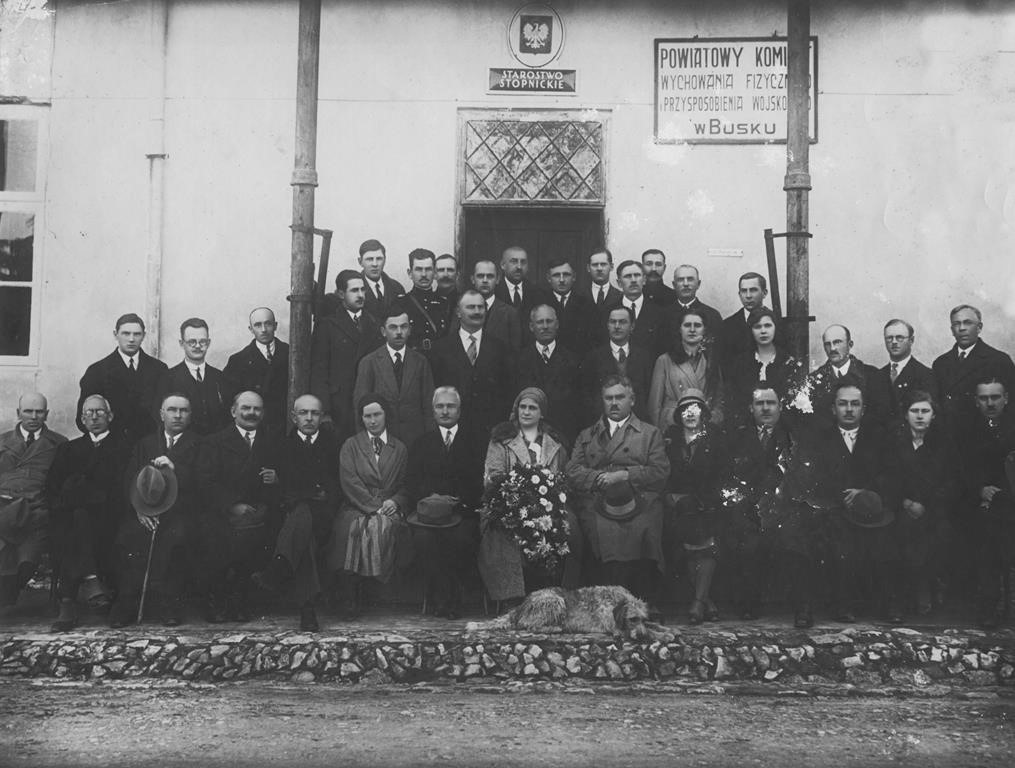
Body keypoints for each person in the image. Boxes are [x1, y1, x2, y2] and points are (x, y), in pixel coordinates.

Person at [566, 376, 669, 609]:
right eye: (608, 398)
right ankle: (609, 602)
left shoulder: (650, 433)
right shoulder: (587, 435)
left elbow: (660, 471)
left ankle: (643, 601)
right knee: (599, 528)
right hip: (599, 500)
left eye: (620, 397)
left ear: (632, 400)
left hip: (639, 499)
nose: (614, 403)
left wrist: (625, 475)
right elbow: (572, 471)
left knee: (645, 526)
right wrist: (599, 479)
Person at [805, 379, 901, 624]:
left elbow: (891, 473)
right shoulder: (820, 440)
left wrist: (866, 492)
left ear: (863, 409)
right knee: (841, 543)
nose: (849, 409)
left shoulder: (879, 437)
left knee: (885, 543)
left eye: (855, 404)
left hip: (872, 508)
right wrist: (842, 497)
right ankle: (843, 604)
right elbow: (813, 478)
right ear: (833, 408)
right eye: (843, 404)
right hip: (835, 509)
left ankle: (887, 605)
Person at [108, 393, 202, 627]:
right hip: (146, 512)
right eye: (172, 410)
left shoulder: (201, 444)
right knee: (128, 535)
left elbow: (204, 482)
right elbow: (130, 479)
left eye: (183, 411)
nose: (177, 415)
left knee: (176, 537)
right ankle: (127, 602)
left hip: (182, 511)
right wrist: (140, 510)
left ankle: (168, 603)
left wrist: (176, 468)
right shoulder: (145, 444)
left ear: (190, 415)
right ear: (161, 414)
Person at [481, 387, 582, 603]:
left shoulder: (555, 443)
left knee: (570, 526)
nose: (526, 412)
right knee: (503, 531)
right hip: (510, 502)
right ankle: (512, 597)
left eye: (532, 408)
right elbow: (493, 477)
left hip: (549, 505)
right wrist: (518, 492)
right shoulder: (501, 440)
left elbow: (563, 478)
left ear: (541, 412)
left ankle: (558, 593)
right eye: (522, 407)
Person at [252, 394, 341, 632]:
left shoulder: (333, 445)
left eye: (314, 413)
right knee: (305, 535)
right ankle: (307, 609)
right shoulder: (281, 445)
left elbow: (332, 486)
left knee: (304, 516)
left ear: (321, 417)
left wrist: (292, 485)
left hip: (324, 516)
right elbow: (273, 488)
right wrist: (306, 489)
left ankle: (279, 567)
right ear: (294, 417)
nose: (309, 418)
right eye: (303, 413)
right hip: (290, 515)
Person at [45, 395, 130, 631]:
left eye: (99, 412)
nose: (94, 417)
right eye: (89, 413)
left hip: (109, 517)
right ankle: (92, 581)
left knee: (78, 522)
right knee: (75, 521)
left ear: (110, 416)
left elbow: (123, 489)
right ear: (82, 419)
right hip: (70, 516)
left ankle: (68, 602)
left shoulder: (124, 448)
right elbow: (52, 488)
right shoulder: (68, 449)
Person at [200, 391, 283, 622]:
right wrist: (232, 505)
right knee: (215, 540)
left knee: (260, 542)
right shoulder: (214, 442)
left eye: (257, 409)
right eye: (245, 408)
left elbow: (286, 477)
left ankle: (241, 600)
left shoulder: (272, 441)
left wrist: (276, 480)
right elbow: (205, 482)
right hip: (223, 512)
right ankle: (217, 601)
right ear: (233, 411)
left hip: (259, 510)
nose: (251, 413)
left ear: (263, 413)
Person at [328, 394, 410, 618]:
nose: (372, 421)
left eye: (377, 415)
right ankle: (349, 595)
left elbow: (405, 484)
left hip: (389, 506)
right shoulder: (351, 445)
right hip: (356, 505)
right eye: (367, 416)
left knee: (383, 529)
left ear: (386, 415)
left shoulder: (399, 448)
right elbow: (349, 482)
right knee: (352, 531)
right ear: (361, 418)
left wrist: (395, 501)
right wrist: (375, 507)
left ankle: (374, 591)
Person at [406, 387, 484, 618]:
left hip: (462, 512)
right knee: (423, 539)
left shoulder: (475, 442)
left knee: (460, 538)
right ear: (433, 411)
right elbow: (412, 482)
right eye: (440, 406)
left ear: (459, 411)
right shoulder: (421, 443)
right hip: (428, 515)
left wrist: (456, 502)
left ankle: (453, 598)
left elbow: (480, 481)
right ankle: (439, 595)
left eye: (450, 406)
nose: (445, 411)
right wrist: (433, 499)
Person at [726, 384, 795, 620]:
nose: (766, 408)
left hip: (783, 505)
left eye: (771, 403)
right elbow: (732, 477)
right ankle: (749, 604)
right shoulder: (738, 437)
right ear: (751, 408)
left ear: (780, 406)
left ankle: (800, 607)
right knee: (747, 541)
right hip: (749, 507)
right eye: (760, 403)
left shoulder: (791, 436)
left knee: (795, 538)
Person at [661, 390, 729, 624]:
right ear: (679, 415)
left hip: (707, 504)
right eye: (685, 410)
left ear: (704, 413)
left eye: (695, 408)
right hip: (678, 504)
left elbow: (721, 476)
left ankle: (699, 602)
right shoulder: (671, 439)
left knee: (704, 537)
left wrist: (704, 500)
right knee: (686, 533)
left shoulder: (715, 439)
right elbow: (664, 472)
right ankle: (704, 602)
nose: (690, 414)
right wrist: (671, 496)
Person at [889, 389, 957, 616]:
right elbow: (886, 477)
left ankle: (927, 585)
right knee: (901, 531)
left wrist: (927, 504)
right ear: (906, 414)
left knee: (940, 533)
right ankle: (904, 594)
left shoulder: (944, 444)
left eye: (925, 411)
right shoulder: (895, 443)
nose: (919, 416)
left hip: (934, 509)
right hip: (901, 507)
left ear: (933, 415)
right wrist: (906, 503)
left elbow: (952, 481)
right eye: (914, 411)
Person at [955, 378, 1015, 628]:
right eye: (984, 398)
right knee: (985, 542)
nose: (990, 403)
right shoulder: (966, 432)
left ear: (1006, 399)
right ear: (976, 401)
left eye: (995, 397)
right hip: (976, 502)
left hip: (1009, 500)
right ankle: (988, 606)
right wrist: (979, 490)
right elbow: (960, 469)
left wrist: (1001, 495)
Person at [0, 393, 68, 610]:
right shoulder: (2, 442)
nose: (33, 416)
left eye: (39, 412)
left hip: (37, 509)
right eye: (28, 411)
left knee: (28, 555)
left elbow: (62, 484)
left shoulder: (60, 444)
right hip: (2, 505)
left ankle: (10, 589)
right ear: (18, 413)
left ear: (46, 414)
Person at [430, 290, 515, 444]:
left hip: (491, 433)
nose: (477, 312)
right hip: (454, 434)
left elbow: (507, 390)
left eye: (480, 307)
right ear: (458, 312)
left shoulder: (499, 347)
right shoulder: (440, 349)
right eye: (470, 307)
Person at [310, 269, 382, 442]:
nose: (361, 295)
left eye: (363, 290)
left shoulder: (374, 323)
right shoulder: (327, 326)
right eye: (354, 290)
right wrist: (324, 411)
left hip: (368, 403)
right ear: (341, 294)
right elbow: (319, 372)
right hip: (339, 407)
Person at [77, 313, 168, 445]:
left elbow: (165, 413)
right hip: (111, 447)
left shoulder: (159, 370)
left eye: (137, 334)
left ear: (144, 336)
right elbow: (83, 419)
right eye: (126, 333)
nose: (131, 339)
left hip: (149, 445)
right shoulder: (97, 371)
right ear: (116, 334)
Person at [353, 303, 435, 449]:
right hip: (383, 440)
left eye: (403, 327)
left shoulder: (420, 362)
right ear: (383, 331)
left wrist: (430, 441)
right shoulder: (369, 362)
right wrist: (366, 444)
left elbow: (429, 406)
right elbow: (360, 407)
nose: (399, 332)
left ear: (409, 330)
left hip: (416, 441)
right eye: (393, 327)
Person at [933, 304, 1015, 427]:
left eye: (968, 323)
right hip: (948, 432)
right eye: (956, 324)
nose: (962, 328)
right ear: (952, 330)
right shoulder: (940, 363)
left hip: (983, 432)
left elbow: (1011, 404)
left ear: (979, 327)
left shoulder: (999, 360)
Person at [795, 324, 887, 430]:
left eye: (837, 342)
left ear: (850, 344)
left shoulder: (872, 376)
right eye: (827, 344)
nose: (832, 348)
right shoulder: (814, 381)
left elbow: (880, 417)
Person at [724, 307, 803, 428]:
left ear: (775, 328)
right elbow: (734, 401)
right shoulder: (740, 364)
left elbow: (795, 404)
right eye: (757, 327)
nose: (763, 331)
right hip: (746, 429)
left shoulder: (789, 363)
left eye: (768, 326)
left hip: (783, 428)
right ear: (751, 330)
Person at [648, 307, 724, 430]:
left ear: (704, 330)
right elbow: (654, 405)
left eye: (697, 325)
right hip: (673, 424)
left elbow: (719, 399)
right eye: (687, 325)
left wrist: (712, 420)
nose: (692, 330)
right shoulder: (665, 360)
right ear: (680, 329)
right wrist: (657, 433)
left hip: (703, 422)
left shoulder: (711, 360)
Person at [516, 304, 583, 442]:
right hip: (529, 435)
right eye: (540, 322)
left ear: (557, 324)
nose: (545, 326)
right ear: (531, 326)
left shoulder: (573, 360)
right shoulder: (519, 360)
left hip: (564, 434)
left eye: (549, 321)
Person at [156, 317, 229, 436]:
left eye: (202, 341)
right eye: (192, 342)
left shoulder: (220, 377)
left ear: (208, 343)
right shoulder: (168, 378)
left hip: (216, 444)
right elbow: (161, 420)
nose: (198, 346)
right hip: (183, 444)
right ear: (181, 343)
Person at [579, 305, 654, 422]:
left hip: (637, 423)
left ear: (632, 326)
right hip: (603, 423)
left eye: (622, 322)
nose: (617, 326)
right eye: (613, 322)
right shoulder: (593, 358)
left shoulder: (644, 357)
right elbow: (588, 395)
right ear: (607, 326)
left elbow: (648, 394)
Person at [222, 307, 290, 435]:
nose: (263, 330)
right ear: (251, 329)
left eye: (268, 324)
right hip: (254, 428)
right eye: (258, 325)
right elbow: (230, 401)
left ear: (275, 326)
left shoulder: (291, 354)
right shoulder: (238, 361)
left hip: (286, 426)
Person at [874, 319, 939, 429]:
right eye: (889, 338)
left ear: (911, 340)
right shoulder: (877, 376)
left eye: (899, 337)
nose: (894, 342)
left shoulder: (926, 375)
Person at [606, 260, 667, 358]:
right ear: (619, 283)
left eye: (637, 275)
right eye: (628, 276)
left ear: (644, 280)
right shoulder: (608, 312)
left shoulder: (660, 312)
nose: (633, 280)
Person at [464, 259, 521, 352]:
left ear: (497, 279)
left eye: (490, 276)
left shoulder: (510, 313)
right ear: (473, 279)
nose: (485, 280)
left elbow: (515, 351)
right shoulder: (462, 310)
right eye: (480, 276)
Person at [402, 248, 450, 356]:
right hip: (412, 359)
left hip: (440, 359)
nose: (424, 274)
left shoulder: (444, 304)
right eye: (419, 269)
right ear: (410, 273)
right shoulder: (401, 304)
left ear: (435, 273)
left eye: (428, 269)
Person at [547, 257, 596, 357]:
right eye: (556, 275)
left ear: (574, 277)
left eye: (566, 275)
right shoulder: (539, 302)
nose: (561, 280)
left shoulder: (587, 304)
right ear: (548, 278)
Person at [719, 272, 770, 368]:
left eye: (753, 290)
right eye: (744, 291)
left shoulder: (776, 323)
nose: (748, 295)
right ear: (739, 294)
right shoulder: (727, 326)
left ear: (764, 293)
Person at [494, 245, 551, 325]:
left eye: (523, 262)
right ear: (503, 265)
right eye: (514, 261)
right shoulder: (494, 291)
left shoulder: (538, 293)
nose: (519, 267)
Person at [671, 264, 722, 341]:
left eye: (690, 279)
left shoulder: (712, 315)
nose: (685, 284)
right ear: (674, 285)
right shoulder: (663, 315)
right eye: (681, 280)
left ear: (698, 284)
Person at [359, 238, 407, 320]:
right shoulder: (352, 289)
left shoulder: (397, 288)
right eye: (369, 259)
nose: (375, 264)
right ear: (360, 262)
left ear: (385, 260)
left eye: (379, 259)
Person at [586, 247, 622, 311]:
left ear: (611, 267)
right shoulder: (578, 295)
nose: (599, 268)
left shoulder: (621, 296)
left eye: (603, 264)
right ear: (588, 268)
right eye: (595, 265)